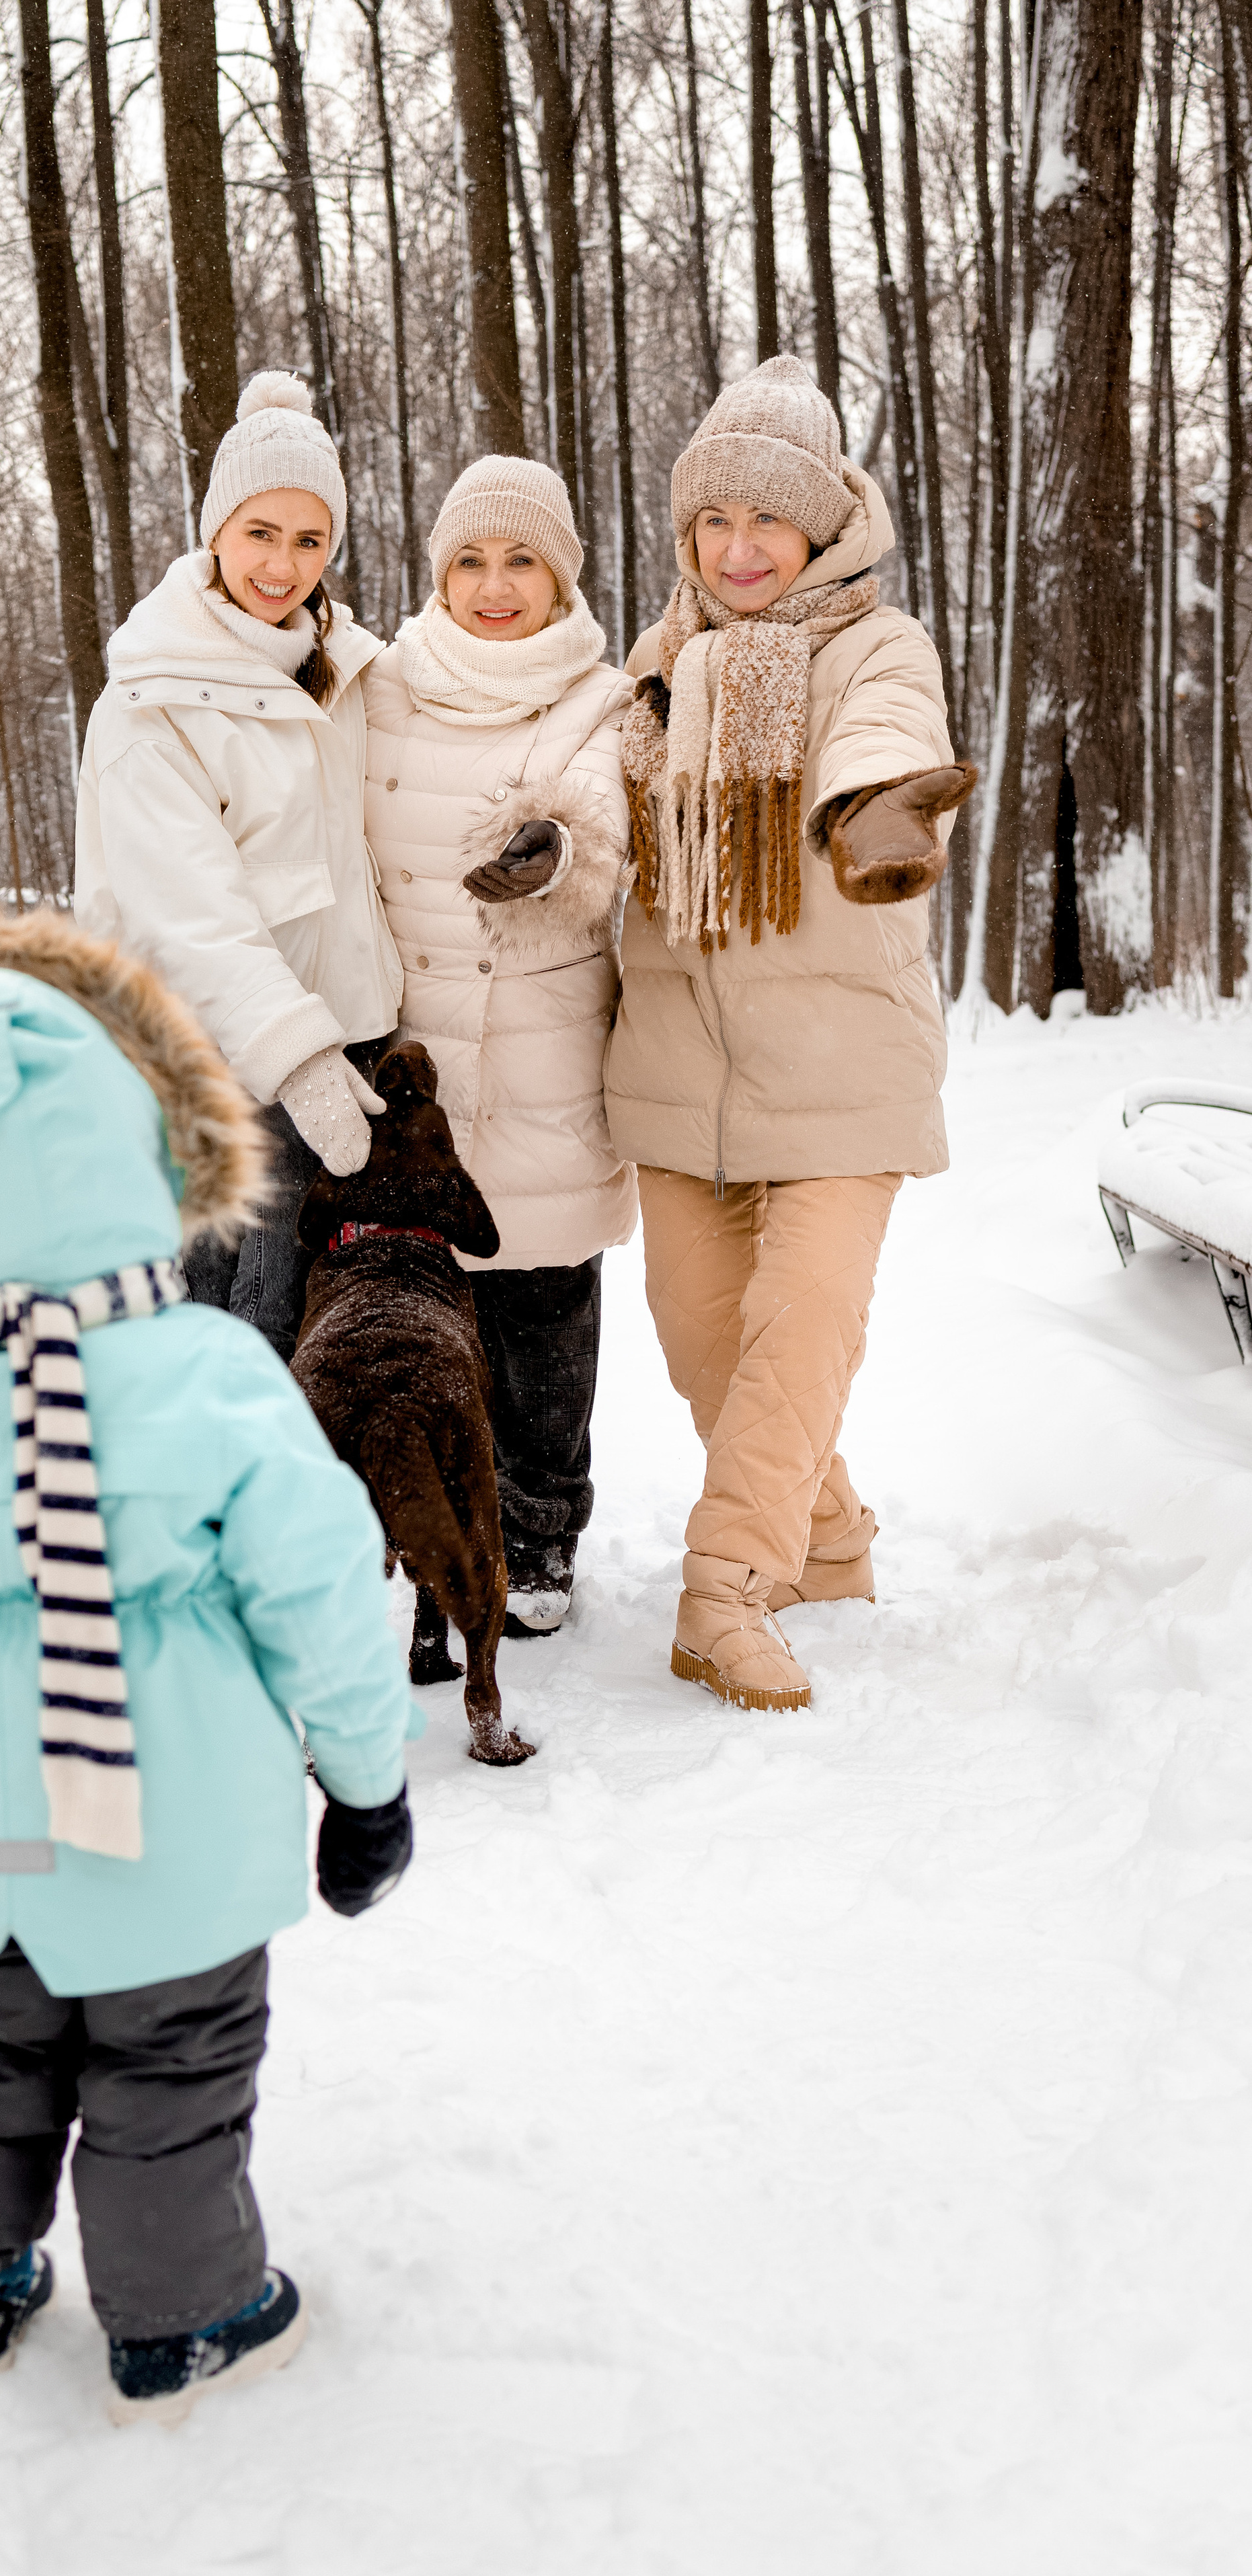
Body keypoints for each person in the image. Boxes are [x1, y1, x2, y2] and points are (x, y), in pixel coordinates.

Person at [0, 911, 418, 2423]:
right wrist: (366, 1788)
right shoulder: (207, 1374)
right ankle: (181, 2321)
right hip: (173, 1843)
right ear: (145, 1135)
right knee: (169, 2074)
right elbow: (317, 1594)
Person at [605, 356, 972, 1713]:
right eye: (714, 522)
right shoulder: (653, 665)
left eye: (768, 522)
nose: (739, 549)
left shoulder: (873, 647)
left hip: (836, 1070)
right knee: (705, 1344)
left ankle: (725, 1591)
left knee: (800, 1325)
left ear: (820, 528)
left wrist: (877, 808)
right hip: (676, 1074)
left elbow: (879, 735)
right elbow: (591, 804)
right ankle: (824, 1542)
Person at [73, 370, 400, 1361]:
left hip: (348, 1068)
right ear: (216, 528)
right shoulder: (150, 704)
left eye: (310, 540)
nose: (283, 564)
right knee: (230, 1344)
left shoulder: (348, 673)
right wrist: (298, 1059)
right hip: (221, 1086)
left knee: (316, 1351)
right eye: (261, 532)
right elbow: (191, 917)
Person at [362, 458, 635, 1635]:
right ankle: (440, 1526)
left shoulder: (602, 696)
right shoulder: (382, 686)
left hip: (545, 1048)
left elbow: (604, 835)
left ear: (561, 571)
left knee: (543, 1306)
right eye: (471, 560)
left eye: (522, 559)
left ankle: (541, 1531)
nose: (494, 585)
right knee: (430, 1313)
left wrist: (551, 855)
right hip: (413, 1059)